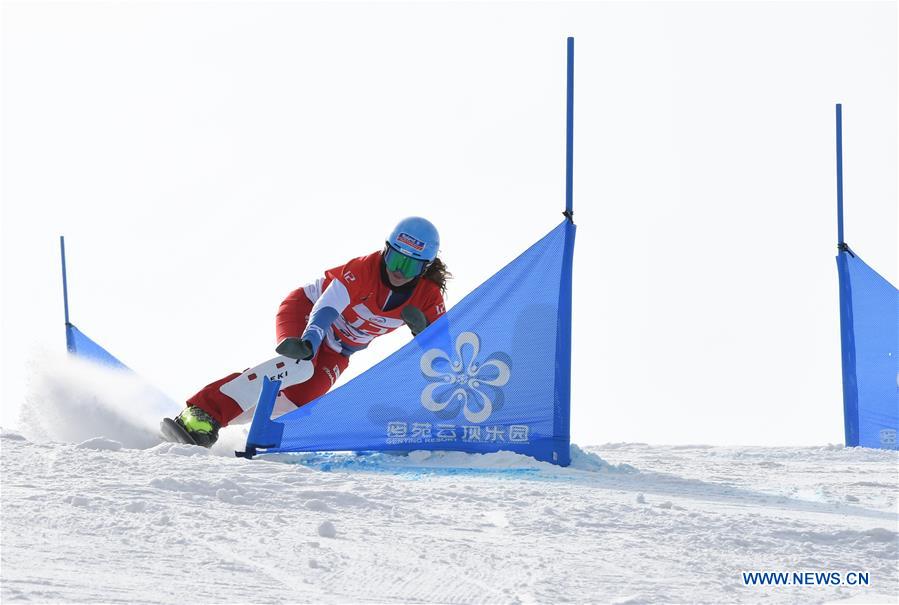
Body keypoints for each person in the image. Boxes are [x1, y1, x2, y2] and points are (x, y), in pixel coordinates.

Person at [173, 217, 449, 447]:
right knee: (298, 367)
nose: (398, 271)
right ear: (385, 250)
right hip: (307, 314)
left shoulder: (428, 297)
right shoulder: (364, 269)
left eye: (410, 265)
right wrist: (309, 340)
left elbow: (444, 353)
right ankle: (204, 412)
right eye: (394, 258)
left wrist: (424, 332)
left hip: (340, 349)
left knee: (299, 401)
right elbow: (326, 309)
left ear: (425, 267)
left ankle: (220, 428)